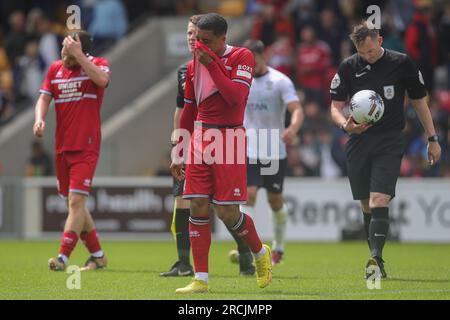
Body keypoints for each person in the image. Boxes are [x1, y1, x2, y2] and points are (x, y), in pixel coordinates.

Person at [330, 21, 441, 279]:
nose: (367, 56)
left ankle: (376, 260)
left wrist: (432, 137)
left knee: (379, 199)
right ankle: (375, 256)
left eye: (370, 50)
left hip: (390, 139)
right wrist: (344, 125)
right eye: (362, 53)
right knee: (366, 205)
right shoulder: (348, 66)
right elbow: (335, 107)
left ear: (379, 40)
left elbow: (419, 101)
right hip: (358, 140)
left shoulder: (401, 63)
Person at [170, 13, 272, 294]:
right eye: (196, 40)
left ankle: (260, 252)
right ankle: (200, 279)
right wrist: (180, 150)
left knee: (227, 212)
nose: (199, 46)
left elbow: (235, 98)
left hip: (229, 138)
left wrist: (212, 65)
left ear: (222, 39)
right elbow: (189, 110)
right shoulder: (193, 65)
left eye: (206, 41)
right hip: (201, 138)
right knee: (197, 204)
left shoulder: (242, 57)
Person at [33, 30, 111, 271]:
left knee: (76, 201)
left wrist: (80, 56)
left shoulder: (97, 65)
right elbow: (44, 98)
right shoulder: (55, 69)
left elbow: (103, 81)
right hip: (62, 146)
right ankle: (98, 256)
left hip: (86, 146)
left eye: (70, 53)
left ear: (81, 52)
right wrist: (39, 119)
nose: (64, 58)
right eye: (63, 52)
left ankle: (63, 257)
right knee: (73, 204)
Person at [231, 39, 304, 266]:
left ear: (263, 57)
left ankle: (279, 248)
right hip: (249, 148)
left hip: (274, 150)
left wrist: (292, 128)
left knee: (275, 201)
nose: (250, 65)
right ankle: (248, 249)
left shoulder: (279, 81)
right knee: (248, 196)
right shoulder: (240, 80)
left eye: (254, 60)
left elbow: (297, 109)